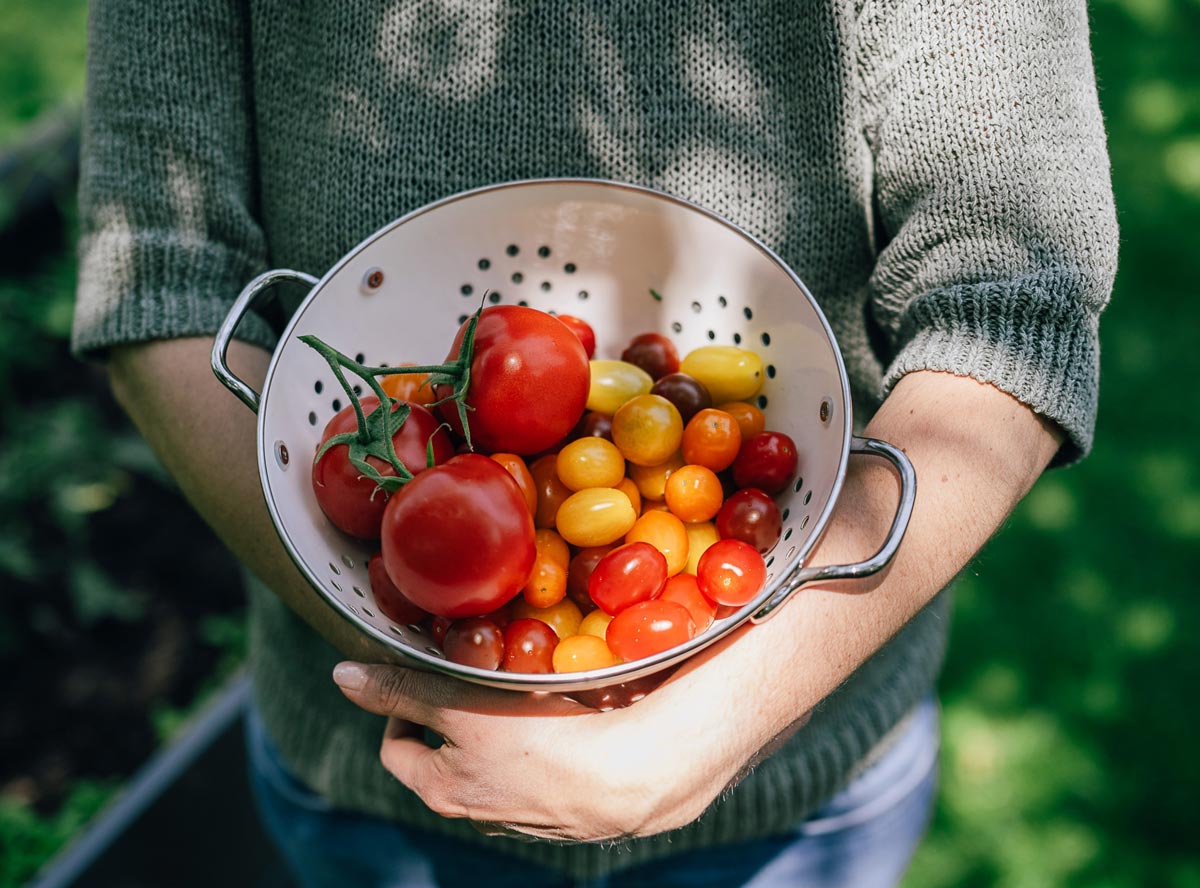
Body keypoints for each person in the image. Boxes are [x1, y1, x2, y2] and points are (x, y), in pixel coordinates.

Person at [72, 1, 1117, 885]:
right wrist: (449, 679)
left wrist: (731, 711)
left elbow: (1009, 303)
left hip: (792, 798)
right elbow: (162, 280)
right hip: (375, 790)